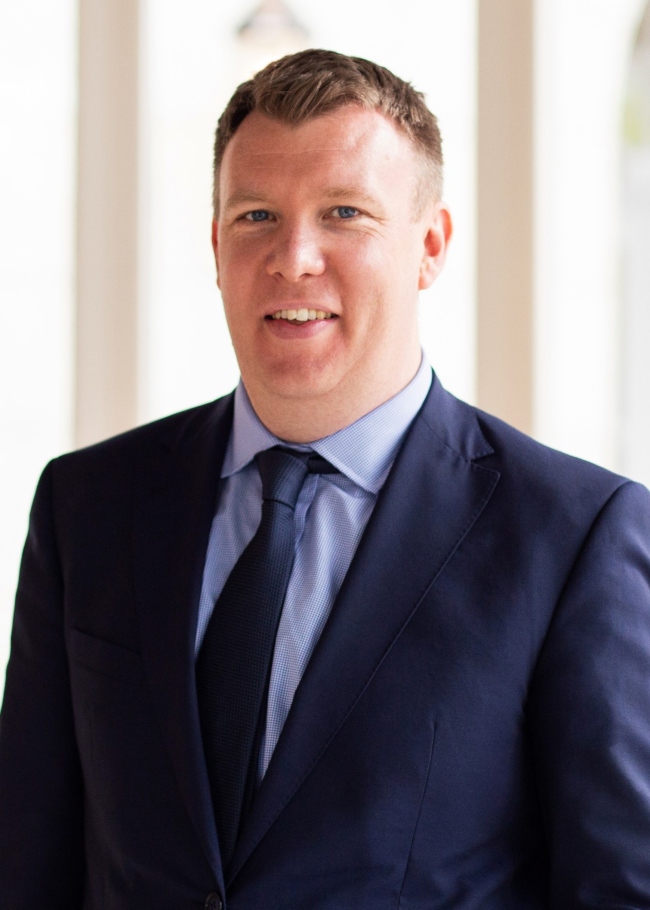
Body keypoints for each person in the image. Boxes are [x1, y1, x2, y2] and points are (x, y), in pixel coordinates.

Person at [1, 48, 650, 910]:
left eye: (344, 212)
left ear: (430, 246)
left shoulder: (575, 537)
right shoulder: (86, 507)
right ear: (215, 243)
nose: (293, 256)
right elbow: (26, 864)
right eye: (257, 215)